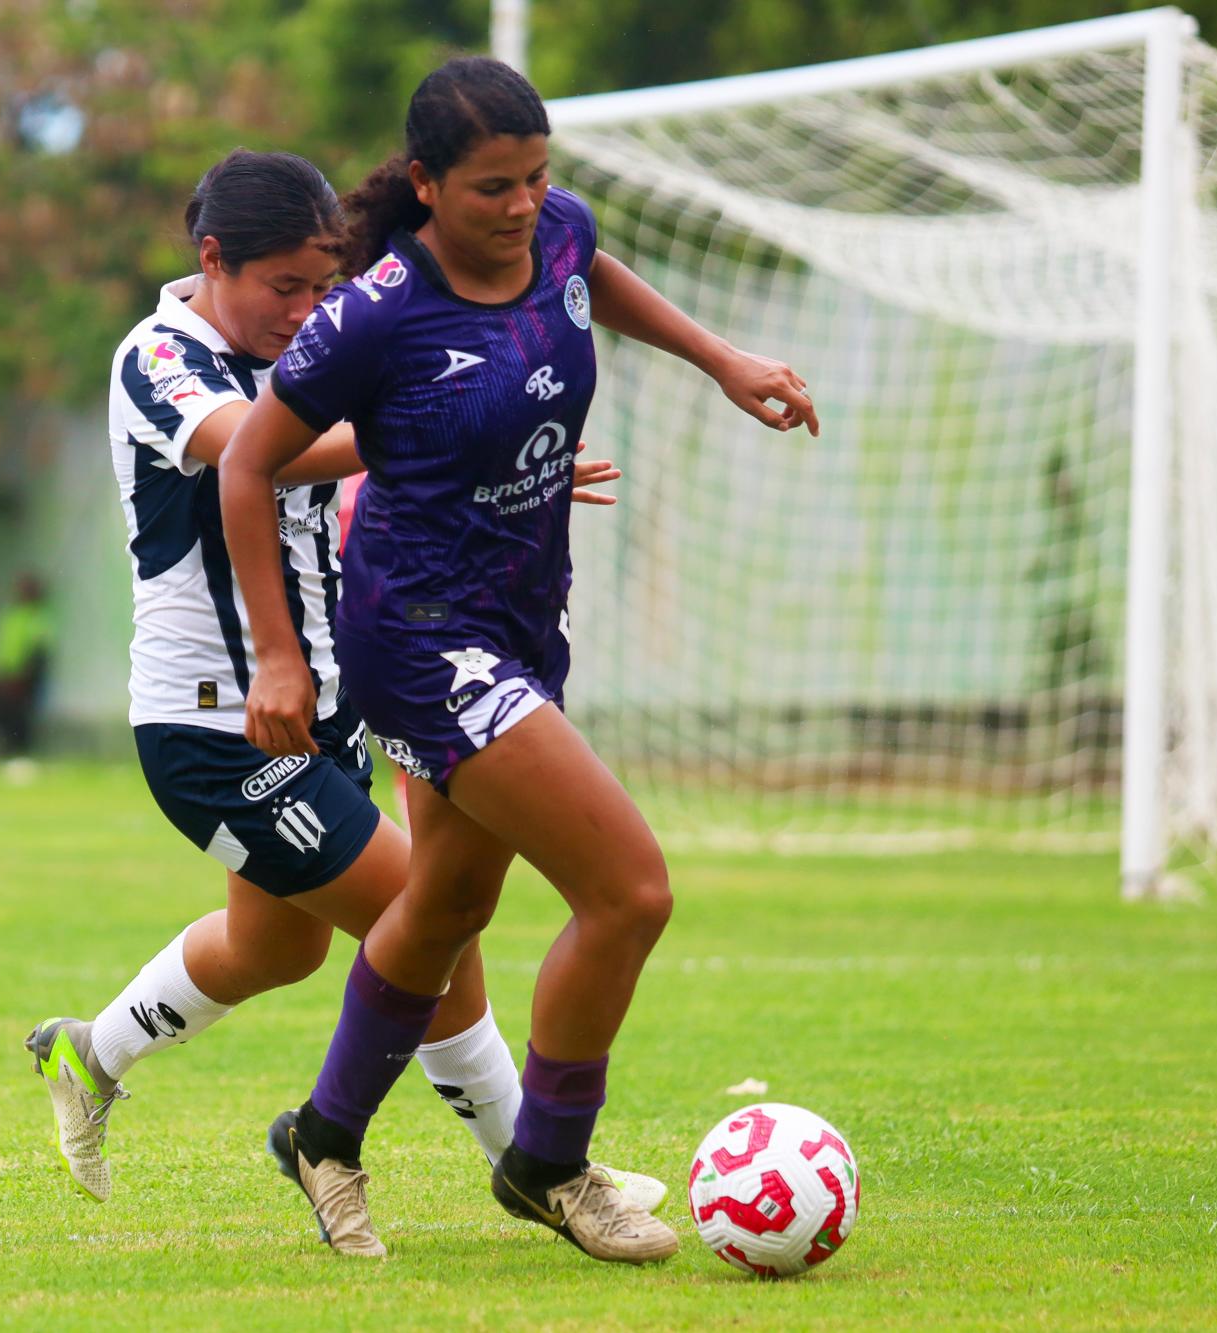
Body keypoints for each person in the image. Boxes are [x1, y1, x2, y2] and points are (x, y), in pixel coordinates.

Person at [220, 58, 818, 1264]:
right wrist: (277, 661)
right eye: (493, 185)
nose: (521, 205)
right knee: (629, 891)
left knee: (445, 901)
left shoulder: (557, 233)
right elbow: (248, 466)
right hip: (417, 635)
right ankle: (547, 1163)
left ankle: (322, 1138)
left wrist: (722, 360)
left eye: (537, 178)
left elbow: (590, 275)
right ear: (430, 186)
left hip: (524, 617)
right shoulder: (376, 311)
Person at [23, 148, 650, 1256]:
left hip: (328, 707)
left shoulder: (313, 338)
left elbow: (372, 457)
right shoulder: (159, 356)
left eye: (323, 286)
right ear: (211, 260)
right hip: (215, 721)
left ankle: (90, 1054)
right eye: (283, 287)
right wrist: (468, 436)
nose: (306, 309)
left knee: (277, 950)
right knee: (430, 916)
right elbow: (260, 456)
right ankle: (539, 1164)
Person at [0, 573, 53, 760]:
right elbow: (3, 646)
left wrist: (23, 678)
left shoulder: (38, 615)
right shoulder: (11, 613)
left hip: (24, 677)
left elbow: (38, 650)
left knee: (19, 717)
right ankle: (8, 752)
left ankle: (20, 754)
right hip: (5, 675)